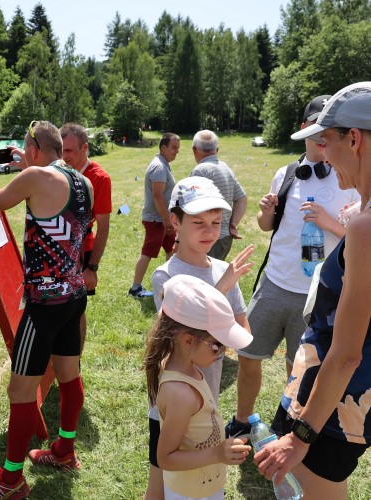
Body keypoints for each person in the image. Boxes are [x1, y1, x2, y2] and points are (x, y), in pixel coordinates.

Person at [0, 120, 94, 500]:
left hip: (44, 305)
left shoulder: (36, 177)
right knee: (69, 377)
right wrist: (27, 169)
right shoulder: (81, 180)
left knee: (20, 392)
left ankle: (10, 481)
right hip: (73, 298)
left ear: (35, 149)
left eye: (25, 149)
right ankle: (65, 451)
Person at [254, 82, 371, 500]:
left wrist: (300, 434)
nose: (321, 156)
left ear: (353, 139)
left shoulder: (364, 227)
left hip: (334, 403)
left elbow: (346, 353)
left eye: (325, 143)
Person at [225, 95, 360, 439]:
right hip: (274, 284)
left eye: (327, 130)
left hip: (316, 293)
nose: (321, 136)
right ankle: (242, 420)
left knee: (298, 367)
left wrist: (330, 223)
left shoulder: (348, 179)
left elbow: (359, 235)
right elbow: (267, 225)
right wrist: (266, 211)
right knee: (248, 355)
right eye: (315, 128)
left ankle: (288, 428)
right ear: (303, 129)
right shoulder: (285, 173)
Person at [144, 177, 254, 499]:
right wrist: (221, 288)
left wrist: (226, 282)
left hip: (207, 399)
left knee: (200, 482)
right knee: (160, 485)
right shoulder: (166, 276)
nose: (210, 231)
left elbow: (242, 334)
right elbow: (181, 333)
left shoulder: (224, 269)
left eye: (217, 222)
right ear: (175, 222)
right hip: (173, 403)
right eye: (198, 222)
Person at [144, 274, 254, 500]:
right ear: (187, 341)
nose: (223, 353)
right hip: (191, 493)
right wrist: (216, 453)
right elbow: (165, 458)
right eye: (217, 346)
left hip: (204, 485)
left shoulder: (187, 367)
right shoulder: (180, 393)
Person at [60, 123, 112, 352]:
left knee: (76, 310)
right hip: (56, 250)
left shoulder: (99, 178)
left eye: (70, 150)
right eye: (62, 150)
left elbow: (104, 226)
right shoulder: (58, 170)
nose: (65, 156)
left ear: (85, 147)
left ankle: (75, 361)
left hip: (82, 252)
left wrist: (92, 267)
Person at [128, 133, 180, 298]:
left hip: (163, 219)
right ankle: (135, 289)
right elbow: (158, 195)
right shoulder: (159, 167)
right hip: (156, 220)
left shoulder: (163, 164)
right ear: (163, 147)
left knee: (172, 249)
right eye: (173, 148)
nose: (176, 151)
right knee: (148, 252)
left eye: (178, 148)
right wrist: (166, 221)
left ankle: (171, 285)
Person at [190, 130, 247, 260]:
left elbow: (193, 206)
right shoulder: (226, 167)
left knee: (199, 278)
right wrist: (233, 224)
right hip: (225, 237)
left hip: (205, 238)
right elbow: (241, 198)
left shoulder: (200, 170)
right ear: (216, 150)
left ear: (194, 149)